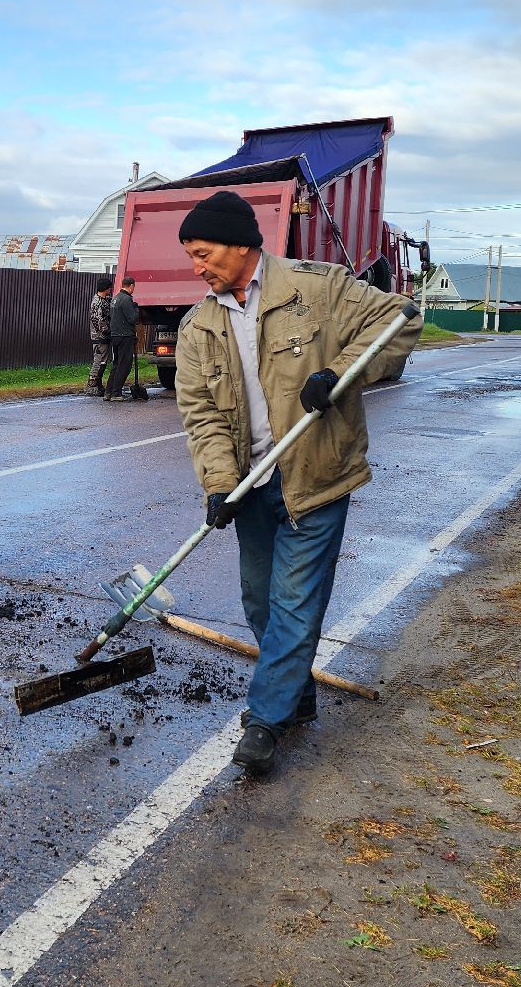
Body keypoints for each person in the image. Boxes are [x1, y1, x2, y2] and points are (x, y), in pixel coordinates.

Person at [172, 189, 420, 776]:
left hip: (316, 474)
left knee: (293, 601)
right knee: (260, 601)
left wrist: (338, 374)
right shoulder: (197, 326)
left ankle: (264, 720)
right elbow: (202, 414)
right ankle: (295, 692)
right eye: (190, 255)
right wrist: (219, 485)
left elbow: (398, 322)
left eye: (203, 252)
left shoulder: (317, 289)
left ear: (242, 246)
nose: (196, 266)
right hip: (252, 485)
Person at [104, 275, 148, 401]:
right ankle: (116, 393)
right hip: (125, 336)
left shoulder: (115, 298)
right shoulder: (126, 299)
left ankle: (109, 391)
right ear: (131, 286)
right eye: (134, 286)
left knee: (117, 364)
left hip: (115, 335)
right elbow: (132, 318)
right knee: (124, 365)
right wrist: (136, 309)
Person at [88, 276, 114, 396]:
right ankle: (92, 385)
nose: (110, 290)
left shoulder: (105, 300)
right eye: (109, 288)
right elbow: (97, 320)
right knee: (98, 361)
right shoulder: (97, 302)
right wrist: (107, 331)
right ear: (105, 289)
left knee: (103, 361)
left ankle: (98, 384)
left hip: (103, 337)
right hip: (99, 337)